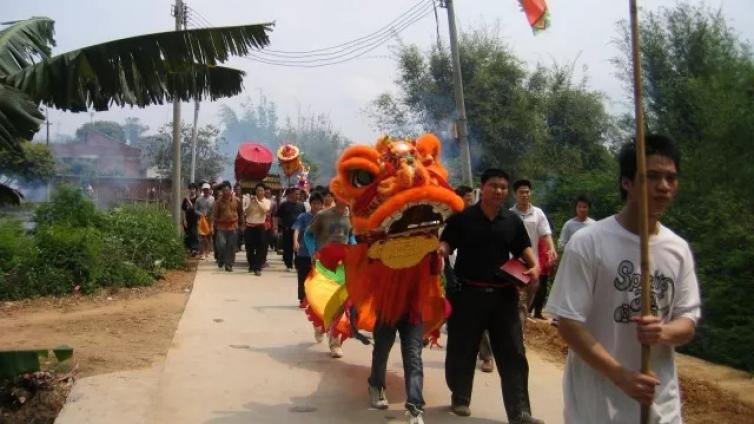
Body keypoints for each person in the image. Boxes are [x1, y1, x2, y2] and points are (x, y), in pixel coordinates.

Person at [545, 135, 701, 424]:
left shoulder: (677, 249)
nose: (664, 187)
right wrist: (622, 377)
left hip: (660, 406)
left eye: (671, 178)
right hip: (597, 407)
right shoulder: (588, 244)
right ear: (626, 182)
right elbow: (568, 324)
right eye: (651, 177)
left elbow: (687, 321)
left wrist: (663, 333)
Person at [439, 168, 543, 424]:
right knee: (461, 349)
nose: (498, 191)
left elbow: (525, 251)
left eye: (503, 187)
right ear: (482, 188)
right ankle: (460, 398)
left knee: (513, 354)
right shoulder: (462, 218)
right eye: (493, 185)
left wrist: (535, 267)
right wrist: (439, 251)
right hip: (467, 295)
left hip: (503, 297)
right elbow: (446, 244)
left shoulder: (511, 221)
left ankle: (519, 411)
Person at [306, 196, 353, 358]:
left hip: (343, 264)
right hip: (324, 262)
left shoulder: (351, 216)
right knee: (321, 298)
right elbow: (308, 235)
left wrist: (354, 251)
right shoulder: (323, 215)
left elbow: (352, 236)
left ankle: (335, 342)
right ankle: (319, 325)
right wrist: (313, 252)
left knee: (340, 302)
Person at [510, 179, 557, 315]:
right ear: (515, 194)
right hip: (514, 260)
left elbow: (546, 233)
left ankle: (524, 315)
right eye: (521, 192)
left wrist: (552, 249)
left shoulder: (538, 213)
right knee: (516, 292)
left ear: (531, 193)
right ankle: (515, 318)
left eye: (527, 192)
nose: (524, 195)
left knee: (533, 286)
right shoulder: (509, 214)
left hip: (532, 261)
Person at [292, 192, 324, 306]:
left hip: (320, 253)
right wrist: (295, 241)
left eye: (319, 204)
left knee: (317, 278)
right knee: (303, 277)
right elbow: (296, 229)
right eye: (314, 203)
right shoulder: (303, 217)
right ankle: (303, 298)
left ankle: (315, 300)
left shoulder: (325, 217)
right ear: (310, 204)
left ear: (322, 205)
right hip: (304, 252)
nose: (317, 206)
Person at [212, 181, 244, 272]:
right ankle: (221, 258)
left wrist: (242, 224)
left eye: (227, 190)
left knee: (231, 247)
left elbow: (241, 213)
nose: (226, 192)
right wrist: (213, 226)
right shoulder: (218, 202)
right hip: (221, 227)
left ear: (230, 190)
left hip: (233, 226)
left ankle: (229, 264)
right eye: (224, 190)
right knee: (221, 245)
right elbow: (215, 215)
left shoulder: (237, 200)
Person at [244, 183, 271, 276]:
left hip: (260, 226)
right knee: (249, 247)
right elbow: (246, 212)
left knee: (261, 247)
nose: (260, 192)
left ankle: (257, 267)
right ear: (255, 191)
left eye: (262, 190)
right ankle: (251, 265)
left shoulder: (267, 201)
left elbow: (265, 210)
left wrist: (258, 202)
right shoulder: (249, 200)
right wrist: (252, 203)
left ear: (264, 192)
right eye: (258, 190)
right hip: (250, 226)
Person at [276, 187, 306, 272]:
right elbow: (278, 217)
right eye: (296, 194)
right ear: (291, 194)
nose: (298, 196)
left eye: (299, 194)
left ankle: (297, 265)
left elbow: (304, 217)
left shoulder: (301, 205)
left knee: (298, 248)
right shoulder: (284, 205)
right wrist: (280, 227)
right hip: (287, 230)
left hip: (299, 231)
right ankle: (288, 264)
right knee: (288, 248)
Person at [195, 182, 215, 260]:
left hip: (209, 220)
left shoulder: (212, 199)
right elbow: (195, 209)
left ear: (210, 190)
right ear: (202, 190)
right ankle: (202, 252)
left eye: (207, 189)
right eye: (204, 189)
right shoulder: (199, 199)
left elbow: (214, 210)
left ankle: (207, 251)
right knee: (202, 237)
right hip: (201, 220)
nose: (206, 191)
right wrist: (200, 214)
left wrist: (211, 217)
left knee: (209, 236)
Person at [181, 182, 200, 256]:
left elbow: (193, 208)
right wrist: (184, 220)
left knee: (194, 234)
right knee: (187, 234)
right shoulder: (185, 199)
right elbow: (183, 210)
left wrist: (188, 200)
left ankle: (194, 249)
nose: (192, 190)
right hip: (187, 219)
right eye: (190, 189)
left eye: (193, 189)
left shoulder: (197, 199)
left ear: (196, 190)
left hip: (195, 219)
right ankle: (188, 249)